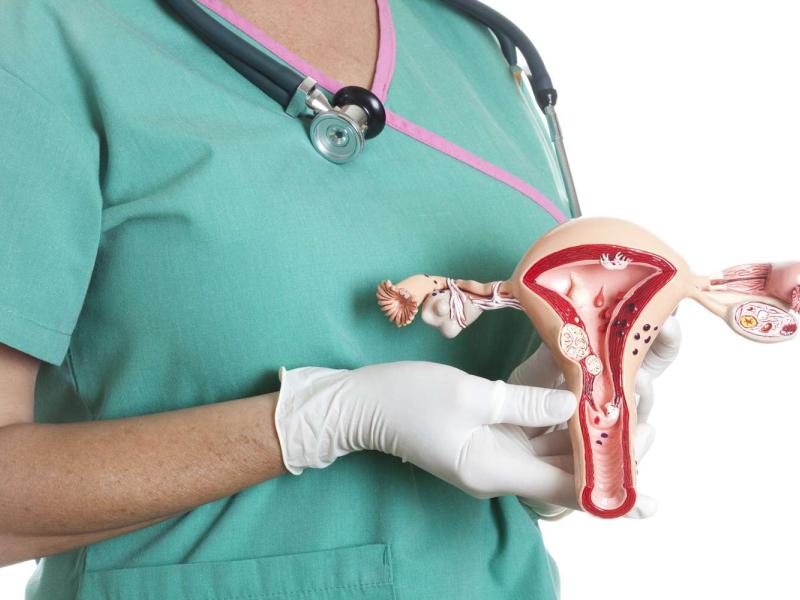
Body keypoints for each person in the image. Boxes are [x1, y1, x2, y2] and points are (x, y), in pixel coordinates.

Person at [0, 1, 679, 598]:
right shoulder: (45, 35)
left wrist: (548, 427)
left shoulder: (476, 50)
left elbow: (490, 484)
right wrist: (317, 419)